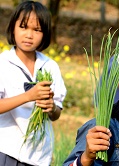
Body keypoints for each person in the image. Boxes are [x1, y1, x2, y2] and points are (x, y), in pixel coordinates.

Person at [0, 1, 67, 165]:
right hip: (8, 150)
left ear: (45, 33)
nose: (29, 35)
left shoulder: (50, 66)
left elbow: (56, 113)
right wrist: (28, 96)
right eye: (23, 27)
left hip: (40, 154)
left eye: (37, 30)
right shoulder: (3, 63)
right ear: (13, 28)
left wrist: (51, 107)